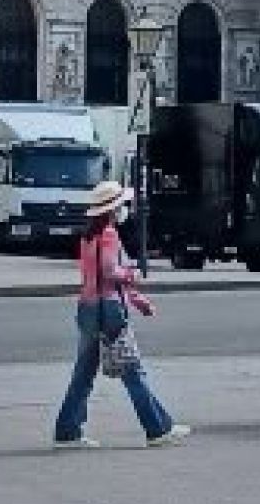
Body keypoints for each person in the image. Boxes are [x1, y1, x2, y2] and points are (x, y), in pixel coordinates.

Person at [53, 181, 190, 448]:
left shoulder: (88, 236)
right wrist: (132, 274)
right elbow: (110, 272)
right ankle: (157, 428)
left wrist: (137, 299)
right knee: (132, 370)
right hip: (111, 310)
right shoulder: (109, 234)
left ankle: (67, 431)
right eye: (122, 205)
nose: (125, 209)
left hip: (88, 308)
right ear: (113, 208)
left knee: (83, 372)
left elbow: (95, 276)